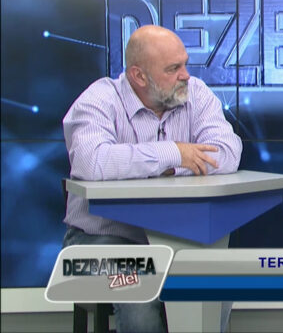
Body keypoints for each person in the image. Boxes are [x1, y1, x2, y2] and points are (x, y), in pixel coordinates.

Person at [62, 25, 243, 332]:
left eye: (185, 64)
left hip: (179, 237)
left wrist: (173, 165)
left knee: (213, 287)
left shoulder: (196, 93)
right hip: (101, 239)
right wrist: (172, 153)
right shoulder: (99, 100)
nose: (185, 75)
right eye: (173, 69)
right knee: (140, 304)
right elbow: (91, 162)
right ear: (139, 76)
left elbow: (227, 152)